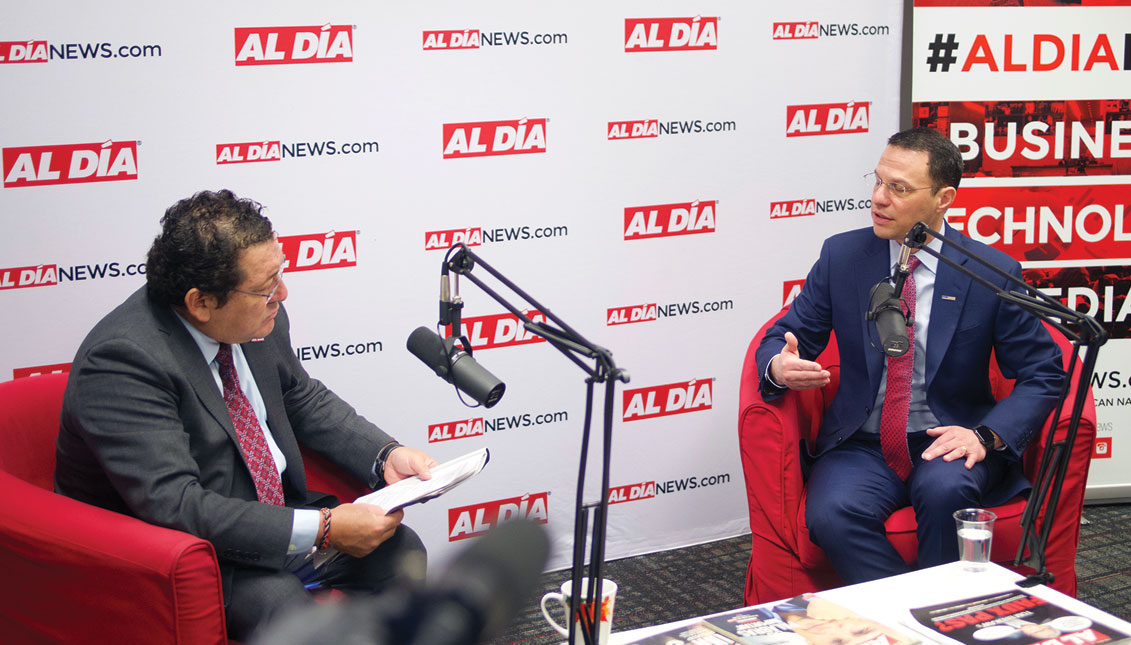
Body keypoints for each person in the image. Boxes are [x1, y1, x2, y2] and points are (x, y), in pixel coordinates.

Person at [55, 189, 438, 639]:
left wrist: (384, 455)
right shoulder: (124, 360)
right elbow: (176, 505)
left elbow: (300, 398)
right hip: (191, 553)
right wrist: (325, 529)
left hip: (274, 511)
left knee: (400, 553)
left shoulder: (258, 316)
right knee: (280, 605)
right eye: (265, 288)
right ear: (201, 302)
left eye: (279, 275)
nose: (282, 293)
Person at [755, 128, 1065, 584]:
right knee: (832, 513)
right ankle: (916, 618)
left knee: (949, 492)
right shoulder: (843, 256)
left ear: (944, 198)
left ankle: (936, 614)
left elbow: (1044, 372)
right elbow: (783, 335)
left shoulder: (989, 272)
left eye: (898, 188)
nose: (879, 198)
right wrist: (778, 366)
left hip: (946, 436)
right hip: (862, 443)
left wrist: (986, 435)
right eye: (877, 181)